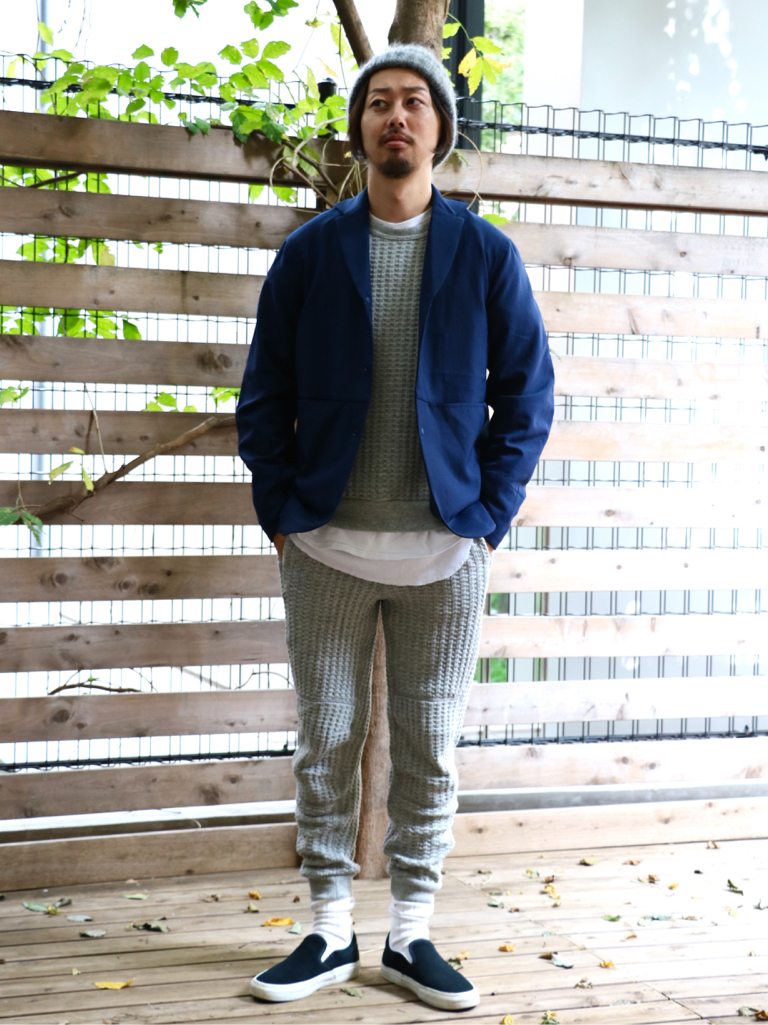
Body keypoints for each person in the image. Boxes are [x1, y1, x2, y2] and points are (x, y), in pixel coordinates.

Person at [236, 42, 554, 1011]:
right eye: (379, 102)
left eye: (415, 101)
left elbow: (528, 398)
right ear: (360, 129)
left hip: (446, 547)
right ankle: (330, 926)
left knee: (429, 743)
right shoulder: (310, 252)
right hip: (325, 545)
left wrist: (487, 518)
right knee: (326, 737)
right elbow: (263, 393)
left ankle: (411, 930)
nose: (397, 116)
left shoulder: (487, 255)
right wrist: (282, 512)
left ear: (440, 127)